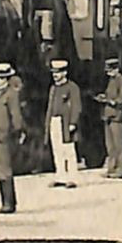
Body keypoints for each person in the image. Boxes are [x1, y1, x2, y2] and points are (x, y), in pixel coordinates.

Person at [0, 62, 25, 214]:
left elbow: (16, 115)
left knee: (4, 168)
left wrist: (18, 130)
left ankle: (8, 204)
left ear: (4, 79)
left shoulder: (11, 94)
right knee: (0, 167)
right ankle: (7, 202)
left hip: (3, 134)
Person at [46, 59, 82, 188]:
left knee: (69, 150)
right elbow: (50, 107)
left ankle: (72, 178)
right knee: (57, 150)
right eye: (53, 73)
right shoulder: (53, 88)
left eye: (58, 72)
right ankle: (60, 176)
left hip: (65, 122)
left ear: (65, 73)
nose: (55, 75)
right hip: (54, 121)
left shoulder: (72, 87)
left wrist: (73, 122)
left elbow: (76, 106)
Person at [97, 57, 122, 178]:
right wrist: (103, 97)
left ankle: (121, 169)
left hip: (117, 116)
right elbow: (109, 94)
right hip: (108, 115)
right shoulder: (111, 80)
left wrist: (110, 101)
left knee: (119, 144)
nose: (108, 73)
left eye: (110, 71)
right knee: (110, 145)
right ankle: (111, 168)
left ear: (116, 69)